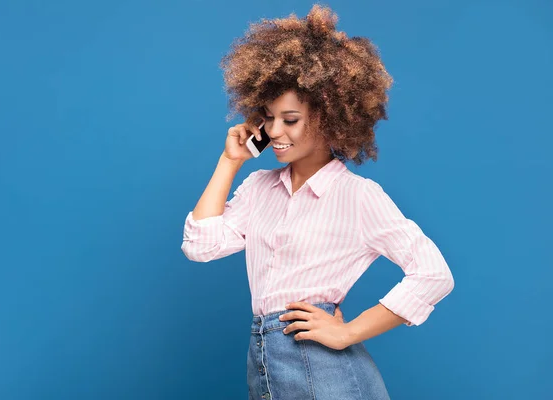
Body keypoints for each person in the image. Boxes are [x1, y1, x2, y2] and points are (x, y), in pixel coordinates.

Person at [181, 4, 454, 399]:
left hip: (324, 369)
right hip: (264, 360)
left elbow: (433, 274)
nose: (275, 131)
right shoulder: (259, 188)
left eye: (290, 119)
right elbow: (200, 246)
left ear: (328, 117)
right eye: (268, 117)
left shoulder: (358, 196)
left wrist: (348, 331)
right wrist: (229, 161)